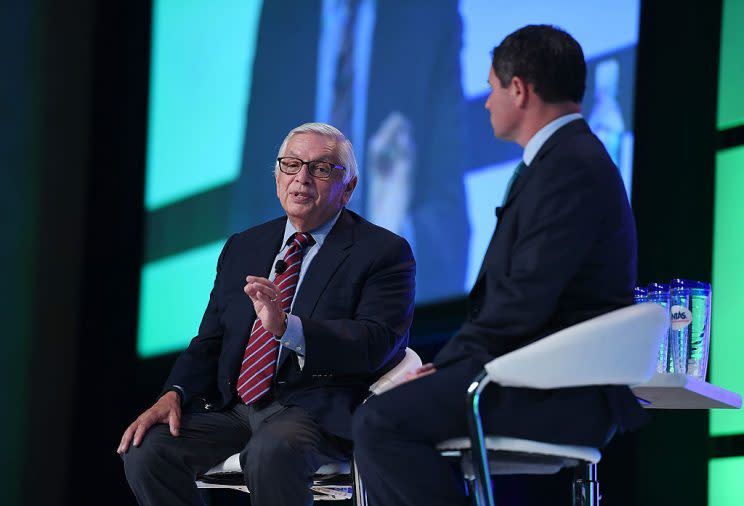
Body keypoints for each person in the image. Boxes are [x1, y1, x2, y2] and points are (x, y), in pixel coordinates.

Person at [352, 25, 646, 506]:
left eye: (491, 88)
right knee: (382, 413)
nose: (486, 102)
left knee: (380, 422)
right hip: (540, 380)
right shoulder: (563, 160)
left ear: (519, 89)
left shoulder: (569, 166)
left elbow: (521, 302)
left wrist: (445, 367)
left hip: (560, 392)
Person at [118, 122, 415, 506]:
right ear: (277, 176)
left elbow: (377, 343)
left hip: (316, 410)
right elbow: (210, 340)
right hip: (235, 409)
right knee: (147, 449)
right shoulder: (244, 246)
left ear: (349, 189)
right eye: (291, 165)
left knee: (271, 450)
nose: (302, 179)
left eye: (321, 169)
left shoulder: (383, 252)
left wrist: (288, 328)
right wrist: (174, 392)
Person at [229, 0, 468, 303]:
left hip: (390, 305)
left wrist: (389, 236)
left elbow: (447, 216)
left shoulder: (429, 12)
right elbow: (252, 190)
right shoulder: (282, 13)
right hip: (286, 305)